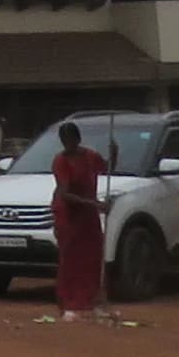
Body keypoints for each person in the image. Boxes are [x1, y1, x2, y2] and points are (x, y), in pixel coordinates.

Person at [49, 118, 110, 318]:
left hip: (88, 215)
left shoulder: (90, 156)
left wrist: (114, 155)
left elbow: (106, 168)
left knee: (92, 256)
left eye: (70, 140)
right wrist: (95, 204)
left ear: (77, 139)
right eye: (64, 141)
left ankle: (90, 299)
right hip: (68, 214)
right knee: (70, 259)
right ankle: (68, 301)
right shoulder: (61, 161)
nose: (67, 145)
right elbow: (65, 193)